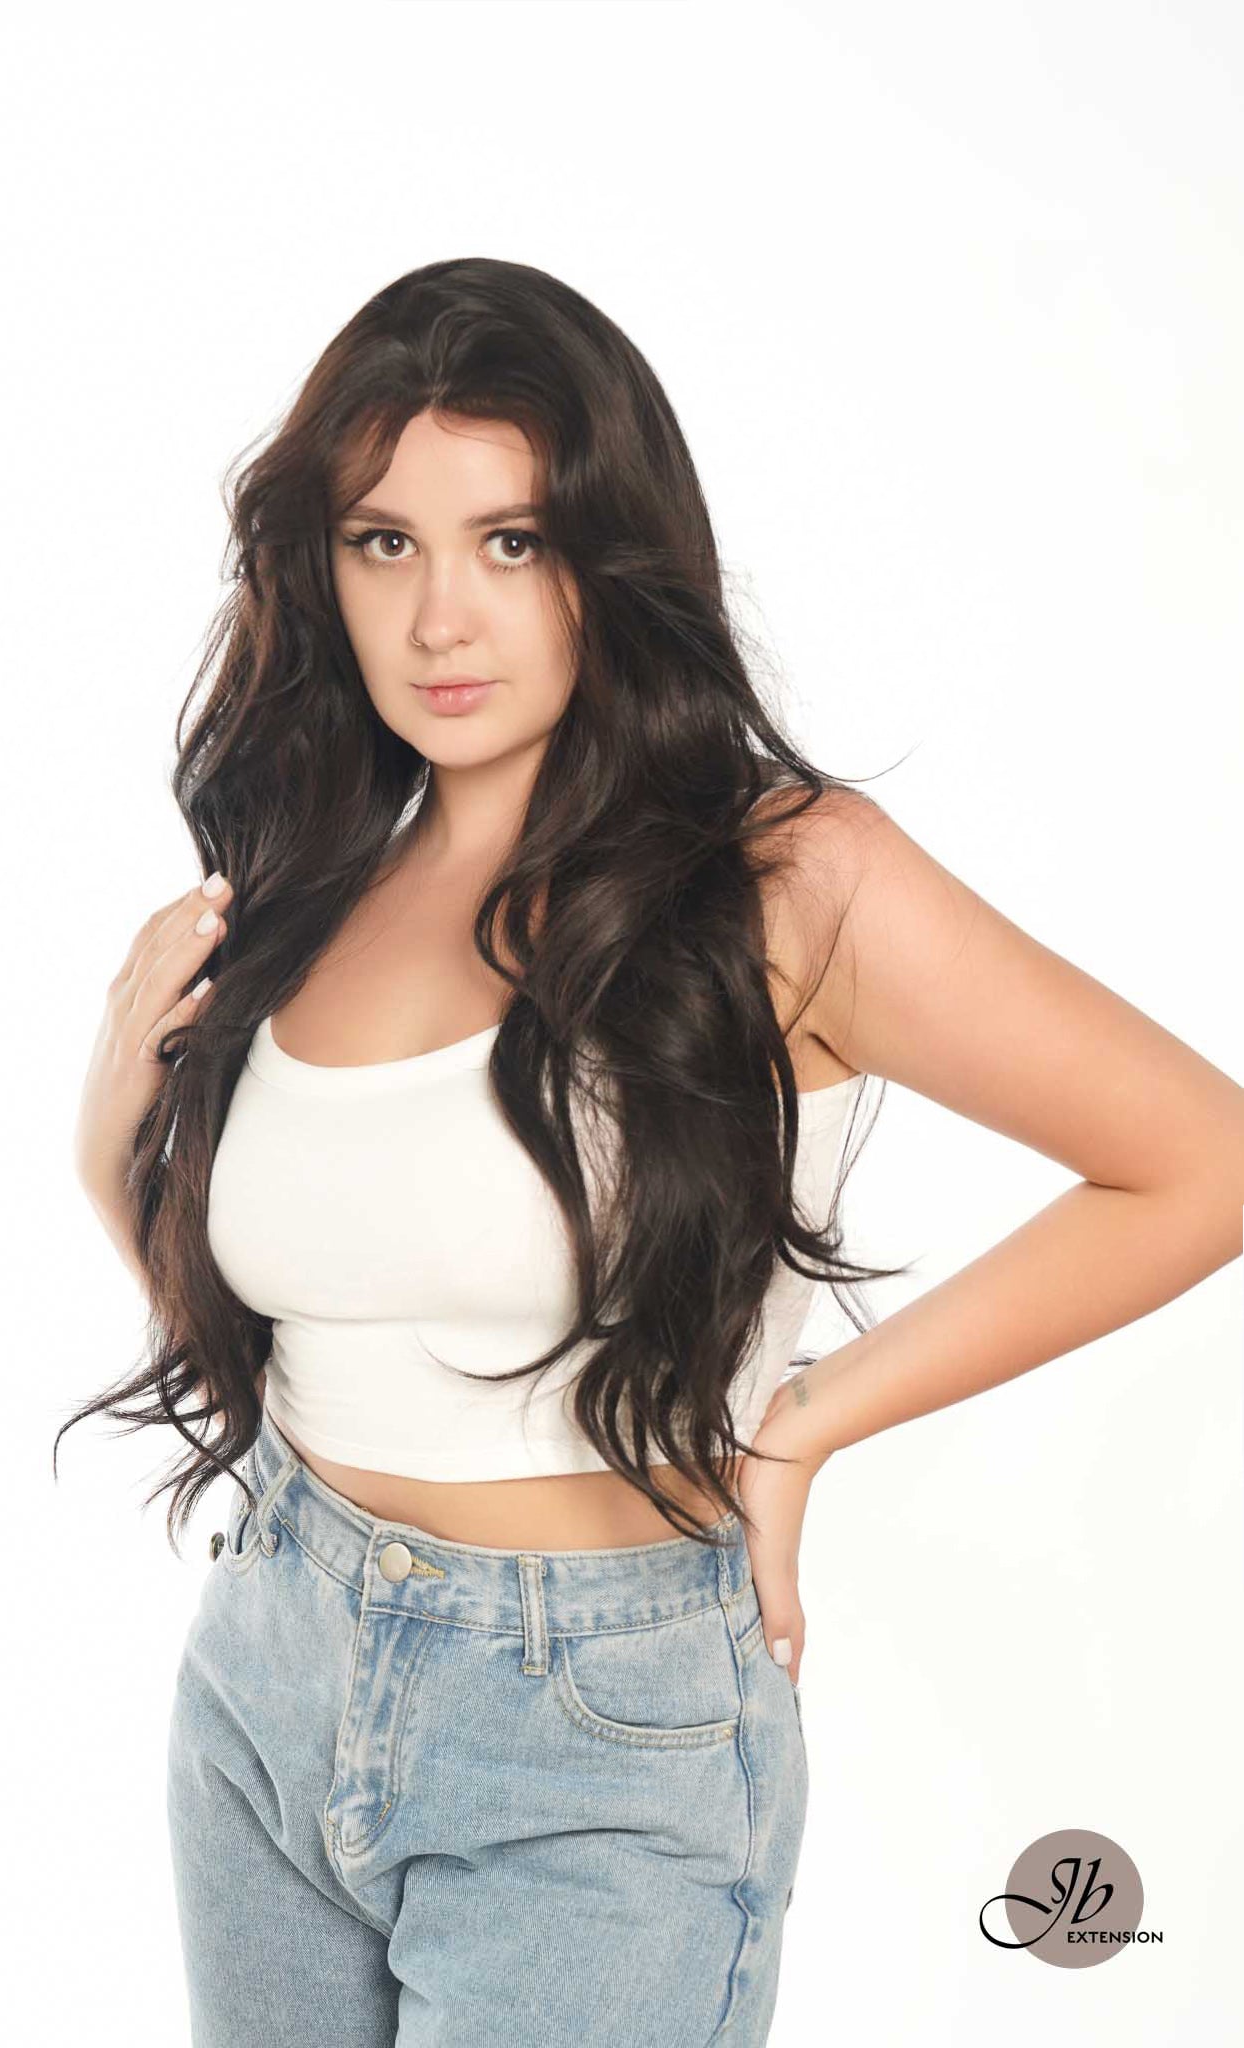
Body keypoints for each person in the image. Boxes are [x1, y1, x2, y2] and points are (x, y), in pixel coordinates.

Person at [62, 258, 1243, 2046]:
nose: (439, 618)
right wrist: (108, 1144)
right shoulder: (314, 879)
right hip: (267, 1675)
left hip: (595, 1737)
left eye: (509, 542)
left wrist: (800, 1426)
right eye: (383, 543)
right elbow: (292, 1314)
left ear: (609, 557)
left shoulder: (783, 879)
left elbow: (1199, 1160)